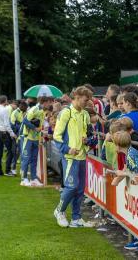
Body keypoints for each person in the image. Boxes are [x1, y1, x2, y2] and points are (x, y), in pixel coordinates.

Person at [53, 86, 96, 228]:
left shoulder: (85, 114)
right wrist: (67, 149)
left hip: (82, 156)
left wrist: (88, 141)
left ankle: (76, 218)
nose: (87, 102)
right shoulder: (65, 113)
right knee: (71, 186)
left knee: (79, 189)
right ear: (76, 97)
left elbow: (91, 135)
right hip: (70, 157)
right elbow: (56, 136)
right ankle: (59, 211)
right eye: (85, 99)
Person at [20, 96, 52, 186]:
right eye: (49, 102)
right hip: (27, 138)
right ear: (44, 102)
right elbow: (25, 121)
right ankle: (23, 179)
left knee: (34, 159)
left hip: (35, 139)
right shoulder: (35, 109)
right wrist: (35, 128)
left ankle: (33, 179)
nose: (50, 104)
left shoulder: (43, 111)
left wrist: (41, 132)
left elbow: (39, 125)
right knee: (26, 158)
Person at [0, 95, 17, 177]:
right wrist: (12, 134)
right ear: (5, 101)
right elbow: (6, 124)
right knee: (11, 151)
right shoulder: (5, 110)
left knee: (0, 153)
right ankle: (7, 170)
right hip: (4, 133)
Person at [10, 101, 28, 174]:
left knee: (22, 152)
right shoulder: (15, 113)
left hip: (23, 135)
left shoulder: (24, 112)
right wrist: (20, 126)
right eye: (25, 108)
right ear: (22, 106)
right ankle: (13, 168)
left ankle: (22, 169)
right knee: (15, 152)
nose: (26, 109)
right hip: (16, 135)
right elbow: (12, 124)